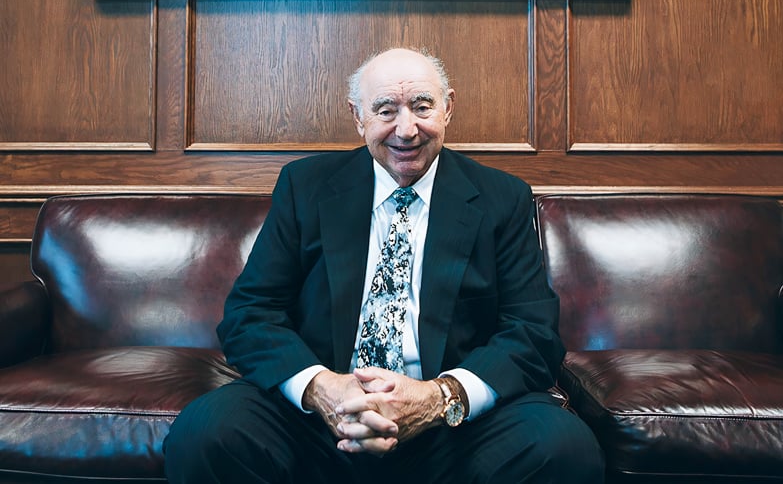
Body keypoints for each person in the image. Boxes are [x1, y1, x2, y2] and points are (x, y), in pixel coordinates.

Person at [164, 47, 604, 483]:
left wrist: (439, 397)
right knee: (205, 434)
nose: (406, 130)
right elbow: (250, 313)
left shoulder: (501, 198)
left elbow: (532, 331)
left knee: (564, 449)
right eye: (386, 110)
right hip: (318, 422)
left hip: (452, 428)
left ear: (448, 108)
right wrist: (321, 388)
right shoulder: (306, 187)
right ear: (358, 117)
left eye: (422, 107)